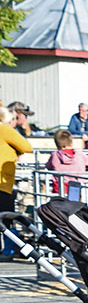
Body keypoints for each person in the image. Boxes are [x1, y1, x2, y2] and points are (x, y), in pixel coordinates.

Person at [0, 106, 33, 257]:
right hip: (2, 182)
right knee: (6, 218)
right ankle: (8, 250)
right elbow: (26, 146)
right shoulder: (5, 129)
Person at [46, 130, 88, 201]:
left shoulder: (54, 155)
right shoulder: (80, 155)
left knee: (59, 206)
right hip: (77, 187)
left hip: (59, 188)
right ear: (71, 142)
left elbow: (48, 166)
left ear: (56, 144)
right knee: (75, 205)